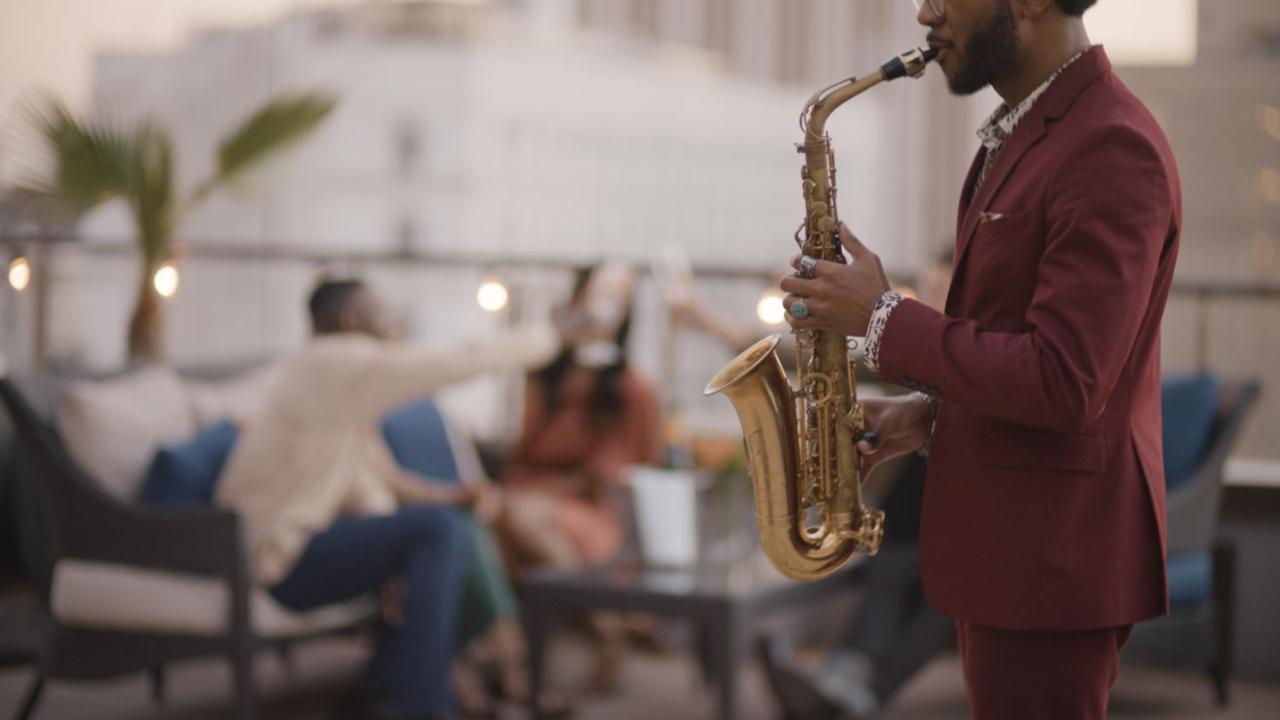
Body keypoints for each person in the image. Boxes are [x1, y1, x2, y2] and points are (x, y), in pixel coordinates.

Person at [778, 1, 1180, 718]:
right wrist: (930, 419)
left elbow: (1065, 380)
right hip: (1014, 548)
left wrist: (882, 317)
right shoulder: (1031, 132)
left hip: (1051, 558)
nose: (924, 11)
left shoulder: (1111, 146)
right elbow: (1018, 344)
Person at [215, 277, 594, 720]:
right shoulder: (336, 361)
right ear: (353, 318)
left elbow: (382, 481)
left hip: (304, 548)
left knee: (450, 526)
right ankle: (428, 701)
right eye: (382, 310)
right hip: (279, 559)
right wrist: (552, 336)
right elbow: (459, 361)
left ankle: (406, 677)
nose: (393, 320)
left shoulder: (334, 387)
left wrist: (450, 497)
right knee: (439, 531)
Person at [758, 250, 958, 719]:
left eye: (938, 288)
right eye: (925, 286)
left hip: (955, 539)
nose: (924, 299)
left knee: (937, 594)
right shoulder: (911, 361)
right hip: (903, 531)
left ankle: (850, 691)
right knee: (894, 571)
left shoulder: (969, 361)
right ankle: (846, 683)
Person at [497, 262, 662, 690]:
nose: (603, 309)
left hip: (591, 510)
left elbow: (611, 471)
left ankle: (528, 661)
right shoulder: (545, 374)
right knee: (493, 524)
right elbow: (525, 450)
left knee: (516, 520)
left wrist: (534, 493)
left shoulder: (631, 387)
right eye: (596, 295)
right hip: (528, 498)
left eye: (615, 300)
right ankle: (514, 659)